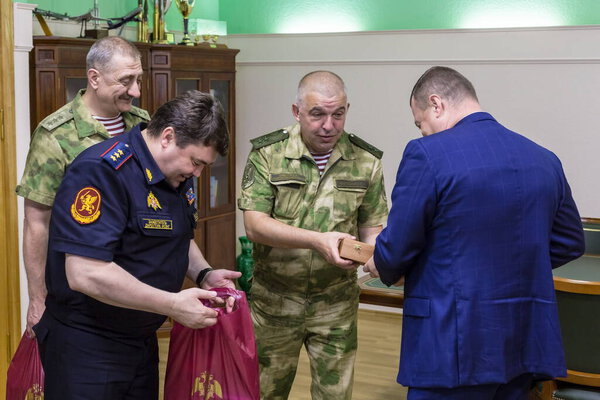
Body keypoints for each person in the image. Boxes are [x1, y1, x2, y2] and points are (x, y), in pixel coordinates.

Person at [364, 66, 585, 400]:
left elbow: (396, 251)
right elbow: (570, 241)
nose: (424, 133)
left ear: (436, 104)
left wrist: (379, 262)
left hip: (450, 341)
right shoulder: (544, 158)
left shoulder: (427, 154)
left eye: (420, 123)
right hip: (523, 341)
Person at [33, 90, 241, 400]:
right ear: (168, 137)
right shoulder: (101, 171)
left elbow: (178, 237)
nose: (197, 173)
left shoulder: (177, 174)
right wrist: (171, 304)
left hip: (141, 339)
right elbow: (85, 273)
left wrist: (204, 273)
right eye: (196, 162)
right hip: (87, 345)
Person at [238, 70, 389, 399]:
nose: (329, 125)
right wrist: (317, 240)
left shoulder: (366, 162)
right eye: (317, 114)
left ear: (347, 109)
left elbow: (372, 229)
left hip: (336, 305)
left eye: (338, 114)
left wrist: (377, 256)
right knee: (264, 393)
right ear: (297, 112)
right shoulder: (268, 154)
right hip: (275, 304)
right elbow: (255, 224)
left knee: (335, 395)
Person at [16, 36, 150, 337]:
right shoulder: (55, 134)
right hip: (79, 296)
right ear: (94, 78)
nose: (136, 91)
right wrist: (37, 299)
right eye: (126, 80)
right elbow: (37, 222)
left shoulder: (142, 125)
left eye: (139, 80)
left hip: (136, 290)